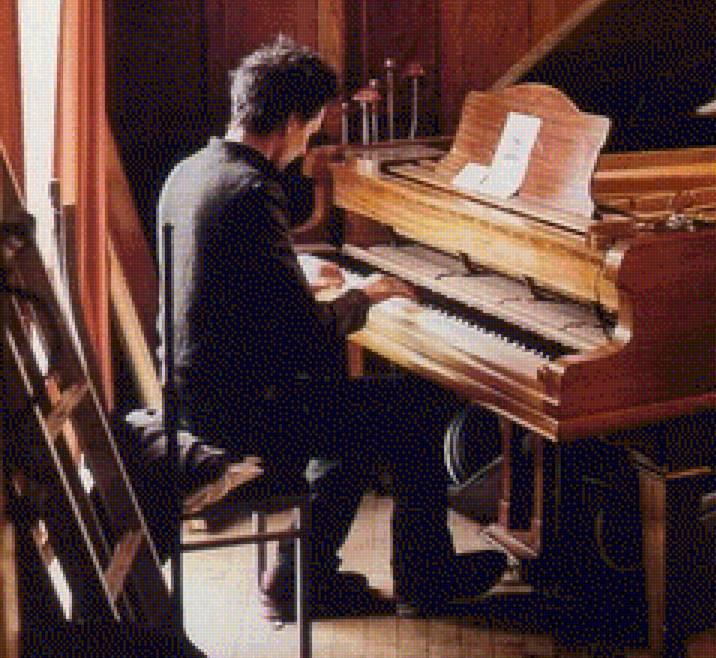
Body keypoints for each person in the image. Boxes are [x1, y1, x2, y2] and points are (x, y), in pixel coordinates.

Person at [157, 35, 507, 621]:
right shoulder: (252, 191)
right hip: (244, 414)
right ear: (291, 121)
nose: (309, 145)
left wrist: (295, 268)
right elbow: (303, 336)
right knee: (414, 404)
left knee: (353, 409)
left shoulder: (191, 173)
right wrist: (364, 295)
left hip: (192, 398)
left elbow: (222, 280)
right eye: (312, 130)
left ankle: (299, 578)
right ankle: (425, 578)